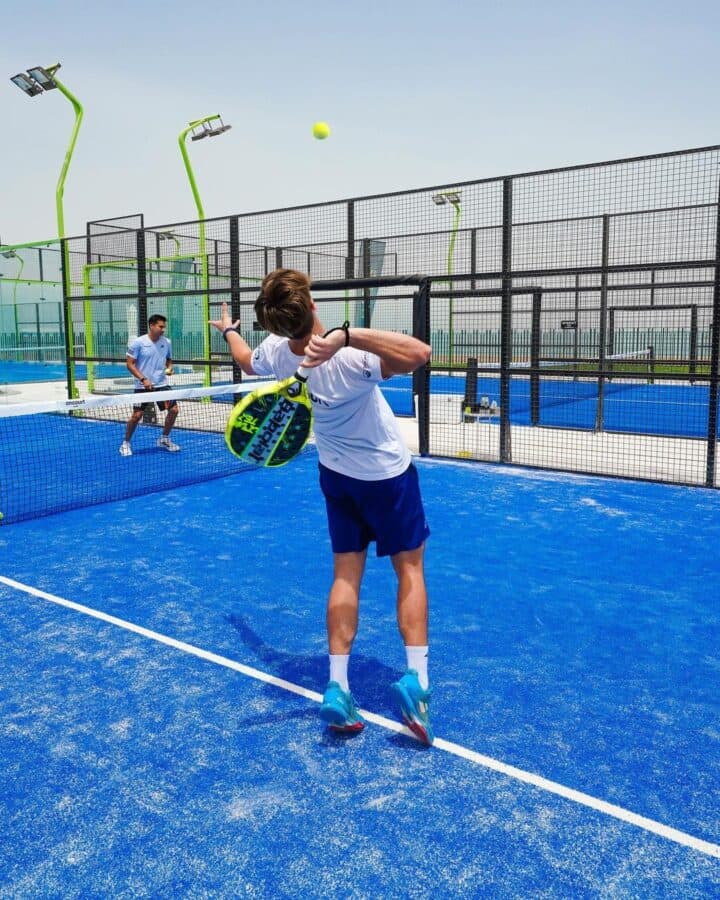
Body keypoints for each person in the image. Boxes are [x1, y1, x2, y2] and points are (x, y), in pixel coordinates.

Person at [210, 269, 434, 744]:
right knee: (410, 571)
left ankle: (337, 686)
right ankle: (417, 680)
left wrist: (229, 330)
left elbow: (247, 362)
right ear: (313, 308)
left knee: (345, 576)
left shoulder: (276, 352)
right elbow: (420, 353)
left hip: (336, 479)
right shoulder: (351, 356)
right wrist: (347, 335)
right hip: (388, 478)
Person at [119, 313, 180, 457]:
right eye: (160, 326)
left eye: (164, 327)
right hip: (142, 386)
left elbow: (169, 359)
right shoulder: (138, 343)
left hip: (161, 384)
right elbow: (130, 364)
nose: (163, 329)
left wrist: (170, 368)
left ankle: (164, 439)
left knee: (174, 410)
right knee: (137, 415)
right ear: (151, 326)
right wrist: (143, 379)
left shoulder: (166, 342)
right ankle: (125, 443)